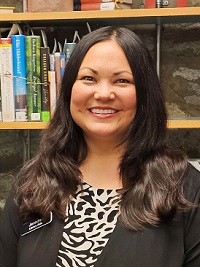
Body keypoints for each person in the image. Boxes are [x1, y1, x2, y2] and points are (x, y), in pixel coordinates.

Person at [0, 26, 200, 267]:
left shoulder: (187, 191)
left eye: (122, 80)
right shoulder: (33, 182)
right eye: (88, 78)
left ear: (145, 95)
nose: (104, 93)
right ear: (69, 90)